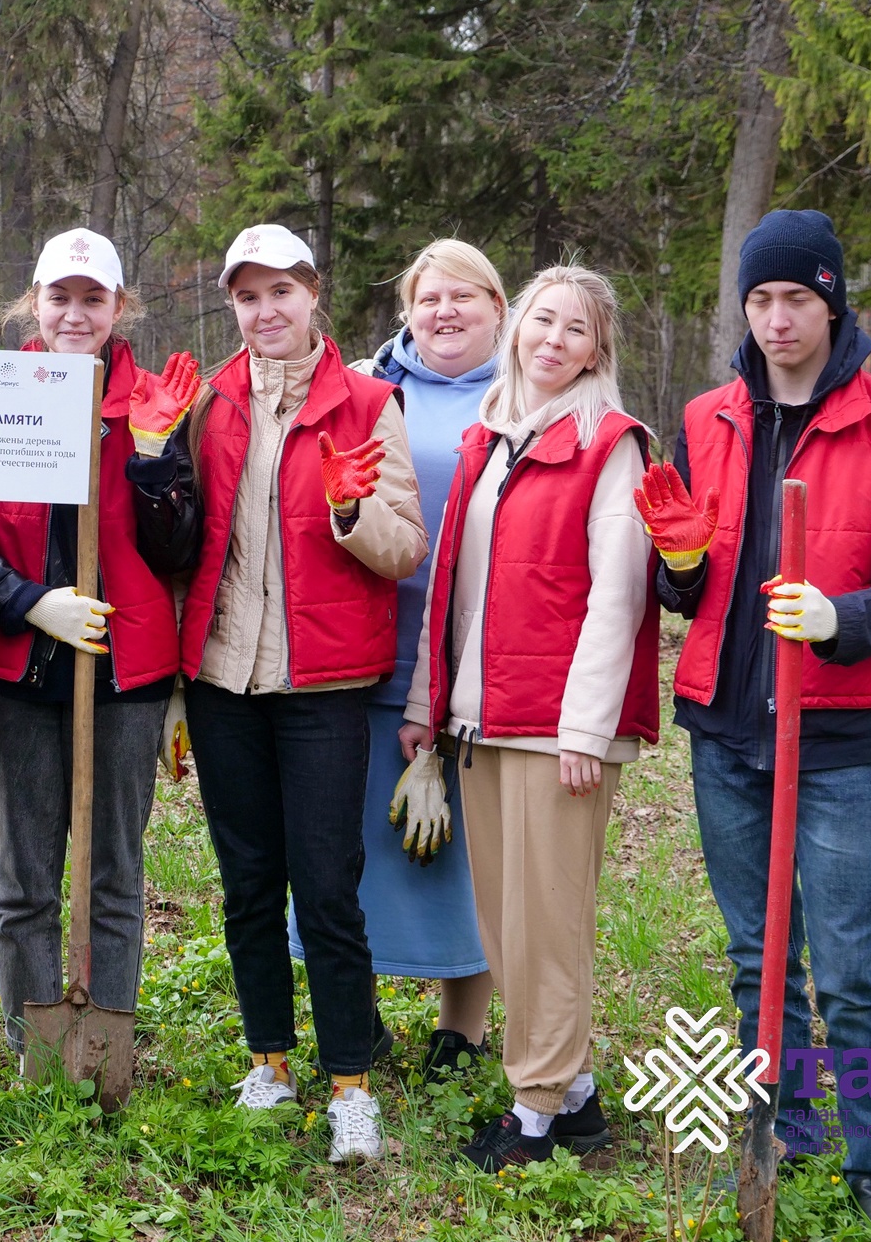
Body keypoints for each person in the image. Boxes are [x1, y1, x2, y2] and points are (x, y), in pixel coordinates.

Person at [640, 209, 871, 1223]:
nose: (776, 320)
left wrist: (836, 616)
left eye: (796, 300)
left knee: (851, 966)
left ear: (830, 302)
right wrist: (676, 567)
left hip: (836, 735)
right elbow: (685, 583)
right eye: (760, 300)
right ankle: (781, 1121)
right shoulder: (707, 418)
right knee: (754, 955)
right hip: (725, 730)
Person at [150, 222, 428, 1164]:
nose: (265, 311)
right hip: (224, 678)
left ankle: (351, 1077)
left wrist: (352, 512)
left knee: (327, 884)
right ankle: (268, 1060)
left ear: (314, 294)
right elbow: (183, 549)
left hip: (324, 681)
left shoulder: (367, 403)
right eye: (247, 295)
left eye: (281, 291)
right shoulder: (209, 403)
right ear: (232, 304)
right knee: (247, 884)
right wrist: (183, 688)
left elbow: (405, 546)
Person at [403, 264, 656, 1172]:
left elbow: (618, 597)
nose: (554, 339)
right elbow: (453, 594)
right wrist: (427, 709)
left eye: (576, 329)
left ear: (598, 351)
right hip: (482, 716)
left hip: (559, 729)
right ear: (517, 328)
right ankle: (578, 1095)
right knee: (505, 926)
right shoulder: (490, 438)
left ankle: (537, 1110)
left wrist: (587, 730)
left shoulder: (610, 444)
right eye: (543, 320)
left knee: (548, 924)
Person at [0, 228, 198, 1057]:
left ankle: (101, 1041)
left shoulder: (157, 404)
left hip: (124, 673)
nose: (75, 313)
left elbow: (181, 550)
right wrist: (28, 602)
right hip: (18, 676)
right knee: (24, 876)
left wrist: (150, 460)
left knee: (114, 873)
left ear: (118, 307)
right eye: (58, 297)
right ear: (34, 302)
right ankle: (34, 1046)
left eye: (92, 299)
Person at [287, 239, 503, 1076]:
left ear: (497, 305)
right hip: (369, 646)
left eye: (465, 296)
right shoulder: (374, 392)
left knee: (467, 847)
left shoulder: (527, 392)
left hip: (480, 649)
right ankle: (360, 1013)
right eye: (428, 298)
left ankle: (463, 1028)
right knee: (357, 842)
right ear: (407, 311)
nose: (445, 312)